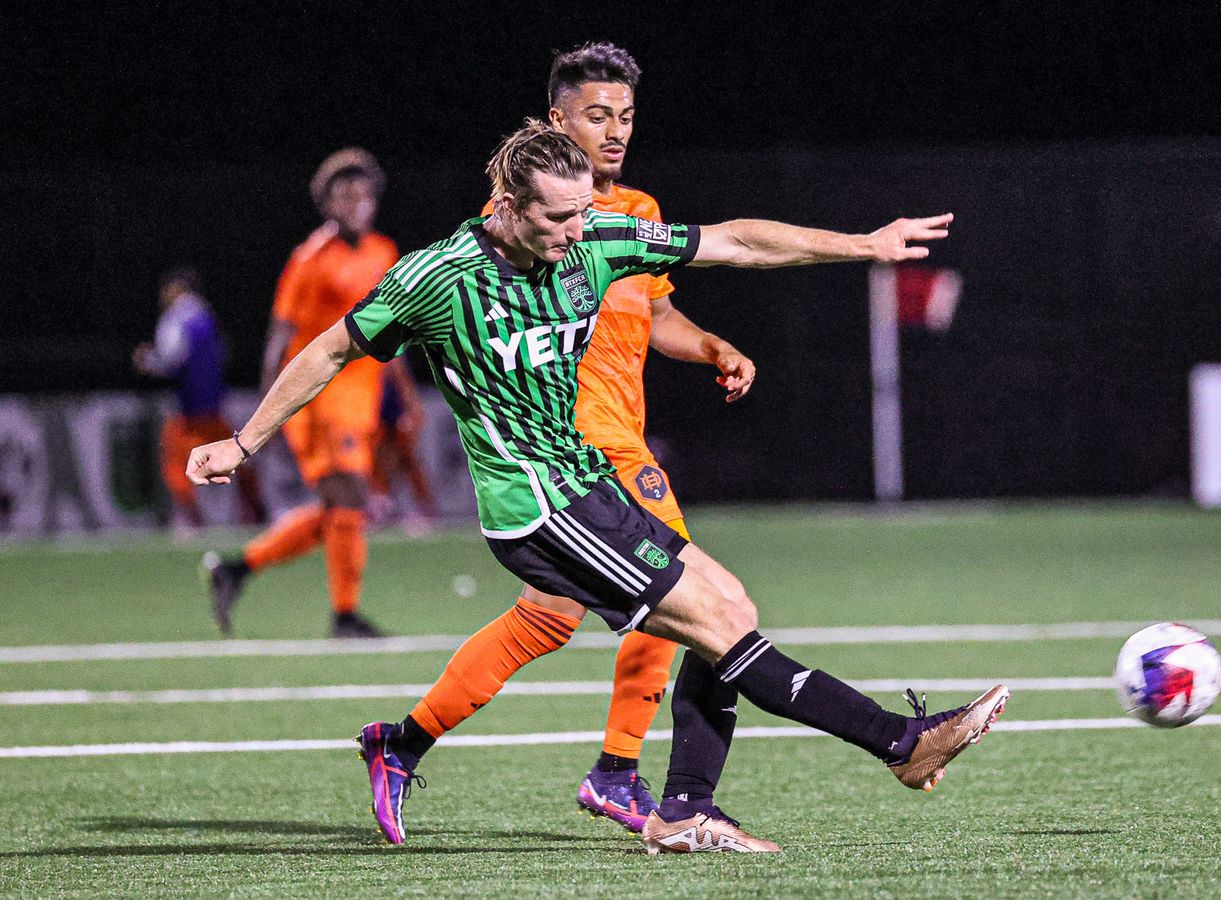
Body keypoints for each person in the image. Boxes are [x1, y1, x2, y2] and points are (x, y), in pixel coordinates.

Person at [187, 119, 1006, 854]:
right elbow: (328, 348)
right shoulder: (436, 278)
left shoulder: (596, 241)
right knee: (717, 624)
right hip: (534, 508)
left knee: (733, 609)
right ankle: (900, 743)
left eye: (583, 214)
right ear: (506, 204)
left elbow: (735, 242)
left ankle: (683, 807)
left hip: (589, 485)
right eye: (557, 217)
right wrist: (244, 441)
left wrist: (864, 245)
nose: (577, 232)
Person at [431, 42, 757, 833]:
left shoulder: (638, 211)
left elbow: (656, 313)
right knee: (689, 595)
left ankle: (403, 743)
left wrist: (712, 344)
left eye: (627, 117)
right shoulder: (517, 220)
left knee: (547, 616)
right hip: (575, 448)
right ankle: (618, 771)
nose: (615, 132)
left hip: (615, 436)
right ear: (556, 121)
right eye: (597, 116)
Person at [202, 148, 398, 638]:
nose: (355, 202)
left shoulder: (384, 253)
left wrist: (408, 398)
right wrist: (266, 415)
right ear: (326, 204)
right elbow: (278, 335)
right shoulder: (309, 260)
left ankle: (238, 569)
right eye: (343, 194)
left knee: (341, 511)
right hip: (321, 399)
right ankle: (345, 616)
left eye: (363, 193)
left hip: (362, 396)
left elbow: (397, 331)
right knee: (349, 498)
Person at [133, 266, 266, 535]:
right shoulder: (206, 315)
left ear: (177, 289)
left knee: (176, 463)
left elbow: (170, 359)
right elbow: (223, 354)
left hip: (189, 413)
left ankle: (189, 520)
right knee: (238, 457)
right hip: (214, 406)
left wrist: (147, 360)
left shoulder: (176, 318)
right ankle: (255, 511)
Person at [370, 359, 438, 534]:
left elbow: (401, 377)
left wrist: (411, 407)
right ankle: (382, 505)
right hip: (377, 404)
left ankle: (424, 508)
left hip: (395, 406)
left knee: (408, 458)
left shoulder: (391, 354)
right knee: (380, 458)